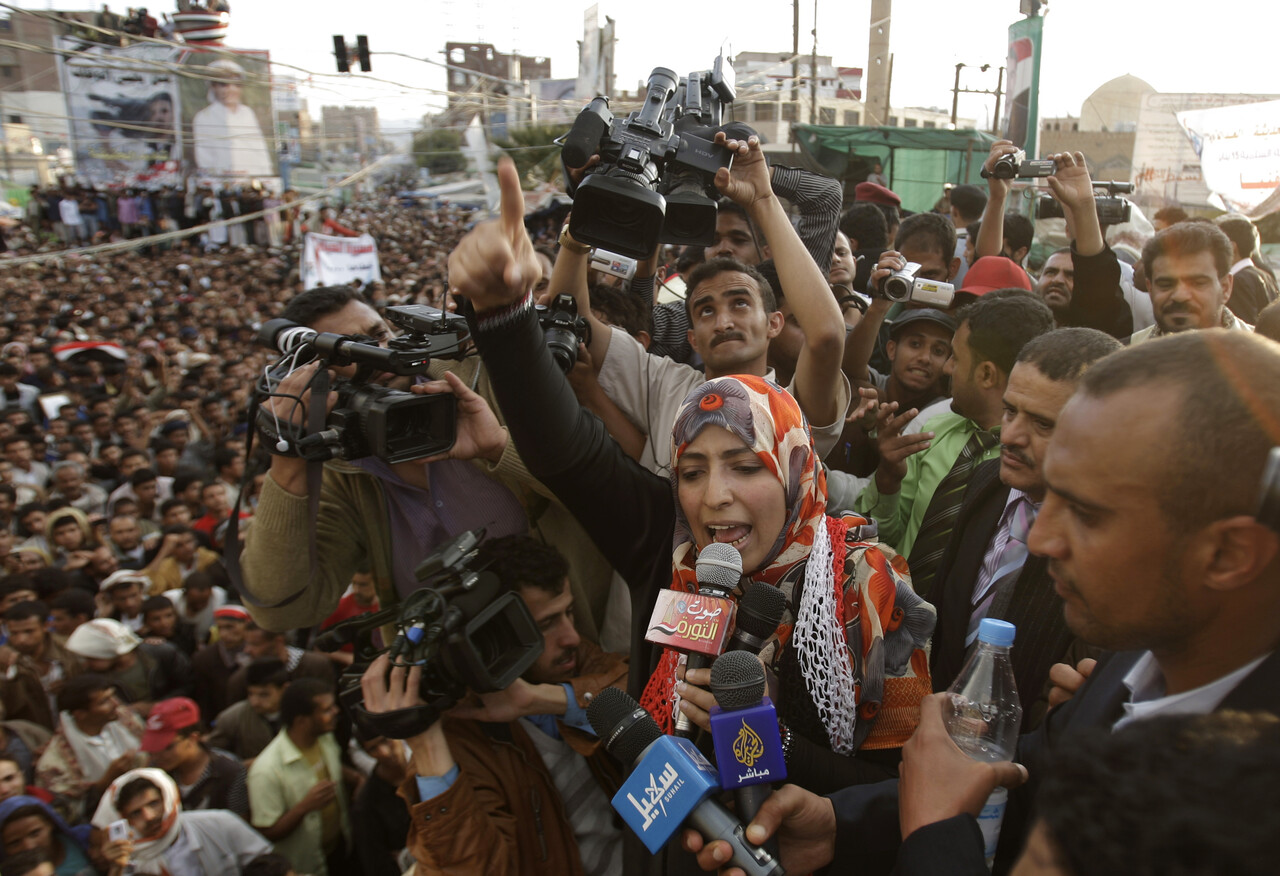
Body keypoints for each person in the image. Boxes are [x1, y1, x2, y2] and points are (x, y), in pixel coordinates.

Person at [683, 329, 1280, 876]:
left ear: (1228, 555)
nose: (1041, 540)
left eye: (1089, 514)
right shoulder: (1135, 666)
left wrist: (938, 838)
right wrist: (843, 823)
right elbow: (1026, 774)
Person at [448, 158, 936, 796]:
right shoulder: (669, 546)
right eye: (692, 471)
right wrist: (504, 318)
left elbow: (896, 797)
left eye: (743, 466)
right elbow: (569, 454)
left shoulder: (869, 592)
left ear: (796, 470)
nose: (714, 497)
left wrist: (765, 732)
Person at [570, 134, 849, 478]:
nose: (723, 322)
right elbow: (576, 318)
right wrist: (585, 211)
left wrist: (762, 197)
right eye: (705, 310)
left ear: (774, 323)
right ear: (692, 339)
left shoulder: (793, 405)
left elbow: (827, 336)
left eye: (741, 304)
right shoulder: (664, 383)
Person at [365, 534, 628, 876]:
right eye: (546, 623)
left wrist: (540, 701)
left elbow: (650, 702)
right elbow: (476, 869)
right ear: (495, 630)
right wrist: (426, 744)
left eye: (569, 613)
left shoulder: (571, 663)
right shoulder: (462, 740)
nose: (572, 637)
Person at [925, 328, 1121, 727]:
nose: (1011, 436)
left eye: (1044, 425)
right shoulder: (982, 483)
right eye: (1011, 410)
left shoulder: (1116, 551)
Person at [854, 293, 1056, 596]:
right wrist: (888, 481)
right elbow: (884, 540)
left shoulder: (1033, 465)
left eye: (955, 358)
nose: (946, 368)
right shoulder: (934, 430)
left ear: (986, 373)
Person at [976, 144, 1134, 340]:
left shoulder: (1095, 331)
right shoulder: (1020, 327)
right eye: (1050, 272)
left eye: (1071, 275)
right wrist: (997, 198)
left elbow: (1096, 276)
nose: (1057, 280)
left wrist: (1083, 206)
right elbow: (990, 269)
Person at [246, 678, 352, 876]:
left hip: (340, 850)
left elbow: (333, 765)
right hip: (306, 865)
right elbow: (267, 832)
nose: (336, 712)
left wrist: (357, 779)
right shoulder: (266, 771)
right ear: (302, 721)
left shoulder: (325, 738)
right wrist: (305, 807)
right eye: (327, 710)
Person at [93, 768, 269, 875]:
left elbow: (269, 863)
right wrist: (116, 869)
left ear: (168, 799)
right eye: (136, 813)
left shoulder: (220, 823)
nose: (149, 816)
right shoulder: (129, 858)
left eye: (154, 803)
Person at [34, 674, 145, 817]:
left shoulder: (126, 720)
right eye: (104, 701)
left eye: (113, 696)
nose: (116, 704)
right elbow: (65, 814)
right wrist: (102, 785)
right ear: (80, 714)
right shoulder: (54, 763)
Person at [1131, 221, 1254, 343]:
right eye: (1166, 284)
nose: (1180, 296)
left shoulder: (1266, 356)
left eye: (1198, 283)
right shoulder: (1125, 354)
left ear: (1225, 287)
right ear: (1150, 289)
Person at [141, 697, 248, 818]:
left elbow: (238, 824)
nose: (157, 755)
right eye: (153, 748)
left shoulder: (230, 772)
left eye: (167, 748)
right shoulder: (154, 773)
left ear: (193, 738)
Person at [64, 618, 192, 710]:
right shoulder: (93, 678)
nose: (86, 664)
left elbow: (189, 686)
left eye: (91, 658)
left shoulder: (162, 654)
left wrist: (156, 706)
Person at [1, 600, 82, 730]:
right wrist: (6, 675)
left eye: (29, 631)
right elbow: (9, 709)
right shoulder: (4, 660)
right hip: (32, 735)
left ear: (45, 626)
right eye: (14, 633)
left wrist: (68, 690)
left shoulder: (69, 652)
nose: (21, 639)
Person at [191, 60, 273, 178]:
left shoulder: (247, 113)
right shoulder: (204, 117)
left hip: (253, 180)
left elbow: (260, 149)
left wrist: (266, 178)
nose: (231, 90)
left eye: (237, 85)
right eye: (224, 85)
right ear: (213, 87)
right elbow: (204, 158)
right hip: (222, 182)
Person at [224, 623, 333, 704]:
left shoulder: (315, 665)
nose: (247, 650)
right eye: (246, 644)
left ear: (278, 641)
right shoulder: (241, 678)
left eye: (255, 644)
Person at [206, 657, 285, 763]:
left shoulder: (301, 714)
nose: (254, 702)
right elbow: (214, 760)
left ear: (284, 689)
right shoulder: (231, 718)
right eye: (251, 694)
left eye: (264, 695)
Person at [0, 796, 94, 876]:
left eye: (35, 833)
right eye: (14, 843)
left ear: (50, 823)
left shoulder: (86, 840)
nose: (29, 846)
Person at [190, 604, 250, 720]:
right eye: (220, 628)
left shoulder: (259, 654)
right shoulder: (203, 659)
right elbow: (203, 700)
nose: (223, 634)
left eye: (230, 627)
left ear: (246, 625)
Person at [1215, 213, 1277, 325]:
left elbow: (1244, 330)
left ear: (1232, 247)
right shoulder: (1264, 275)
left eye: (1217, 243)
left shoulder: (1238, 281)